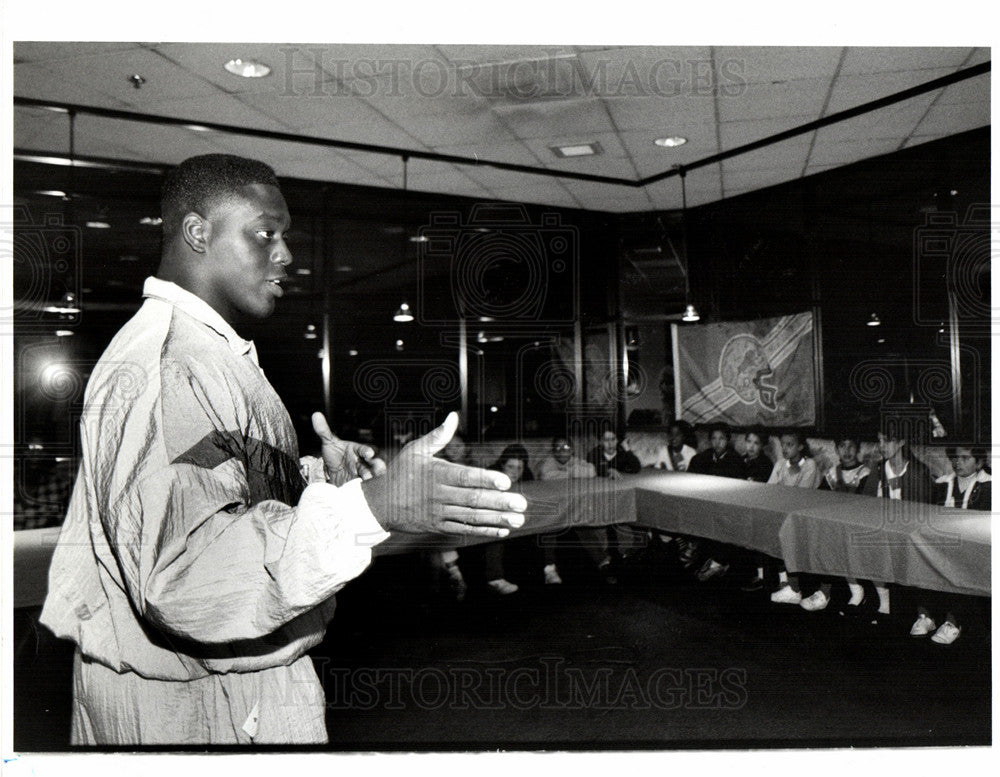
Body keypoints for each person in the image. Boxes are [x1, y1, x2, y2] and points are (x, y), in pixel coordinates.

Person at [38, 154, 526, 746]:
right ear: (198, 233)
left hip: (226, 690)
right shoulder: (167, 364)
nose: (286, 254)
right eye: (265, 233)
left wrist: (323, 480)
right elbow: (184, 574)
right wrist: (366, 509)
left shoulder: (208, 351)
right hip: (192, 709)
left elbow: (218, 488)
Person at [909, 445, 991, 644]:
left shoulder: (990, 486)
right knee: (920, 555)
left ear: (979, 463)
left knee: (959, 564)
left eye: (965, 458)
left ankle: (953, 622)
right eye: (955, 458)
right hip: (942, 544)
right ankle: (926, 616)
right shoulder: (942, 484)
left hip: (975, 548)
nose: (957, 462)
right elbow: (928, 518)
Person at [857, 424, 934, 625]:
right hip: (884, 530)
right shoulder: (879, 469)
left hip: (911, 533)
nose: (882, 445)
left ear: (901, 442)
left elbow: (923, 513)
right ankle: (882, 600)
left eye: (887, 440)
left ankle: (923, 613)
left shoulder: (918, 472)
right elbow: (866, 504)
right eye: (879, 440)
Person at [799, 435, 871, 612]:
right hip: (836, 525)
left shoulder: (865, 473)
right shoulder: (831, 473)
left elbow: (865, 507)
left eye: (851, 446)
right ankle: (824, 591)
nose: (847, 451)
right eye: (842, 446)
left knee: (835, 539)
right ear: (836, 450)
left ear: (858, 449)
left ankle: (854, 589)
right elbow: (820, 500)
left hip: (857, 525)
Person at [537, 436, 606, 583]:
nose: (562, 451)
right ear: (553, 451)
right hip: (553, 507)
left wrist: (566, 472)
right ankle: (549, 570)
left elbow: (591, 471)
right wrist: (572, 473)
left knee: (585, 523)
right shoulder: (549, 462)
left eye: (566, 447)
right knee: (549, 529)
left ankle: (602, 561)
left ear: (572, 450)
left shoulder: (575, 461)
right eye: (558, 448)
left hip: (572, 505)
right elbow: (545, 475)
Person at [686, 423, 747, 581]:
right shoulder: (702, 457)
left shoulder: (736, 460)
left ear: (728, 440)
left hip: (727, 506)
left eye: (721, 438)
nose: (717, 442)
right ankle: (697, 555)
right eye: (713, 438)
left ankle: (718, 562)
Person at [767, 431, 820, 604]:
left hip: (808, 515)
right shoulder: (780, 464)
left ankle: (794, 587)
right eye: (782, 444)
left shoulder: (810, 465)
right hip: (784, 512)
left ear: (800, 447)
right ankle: (785, 582)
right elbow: (769, 489)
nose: (784, 448)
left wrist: (783, 487)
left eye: (790, 444)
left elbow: (801, 496)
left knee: (788, 533)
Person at [481, 444, 535, 594]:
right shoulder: (491, 475)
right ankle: (495, 579)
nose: (515, 472)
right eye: (511, 467)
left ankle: (548, 569)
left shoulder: (527, 475)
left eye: (519, 468)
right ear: (502, 464)